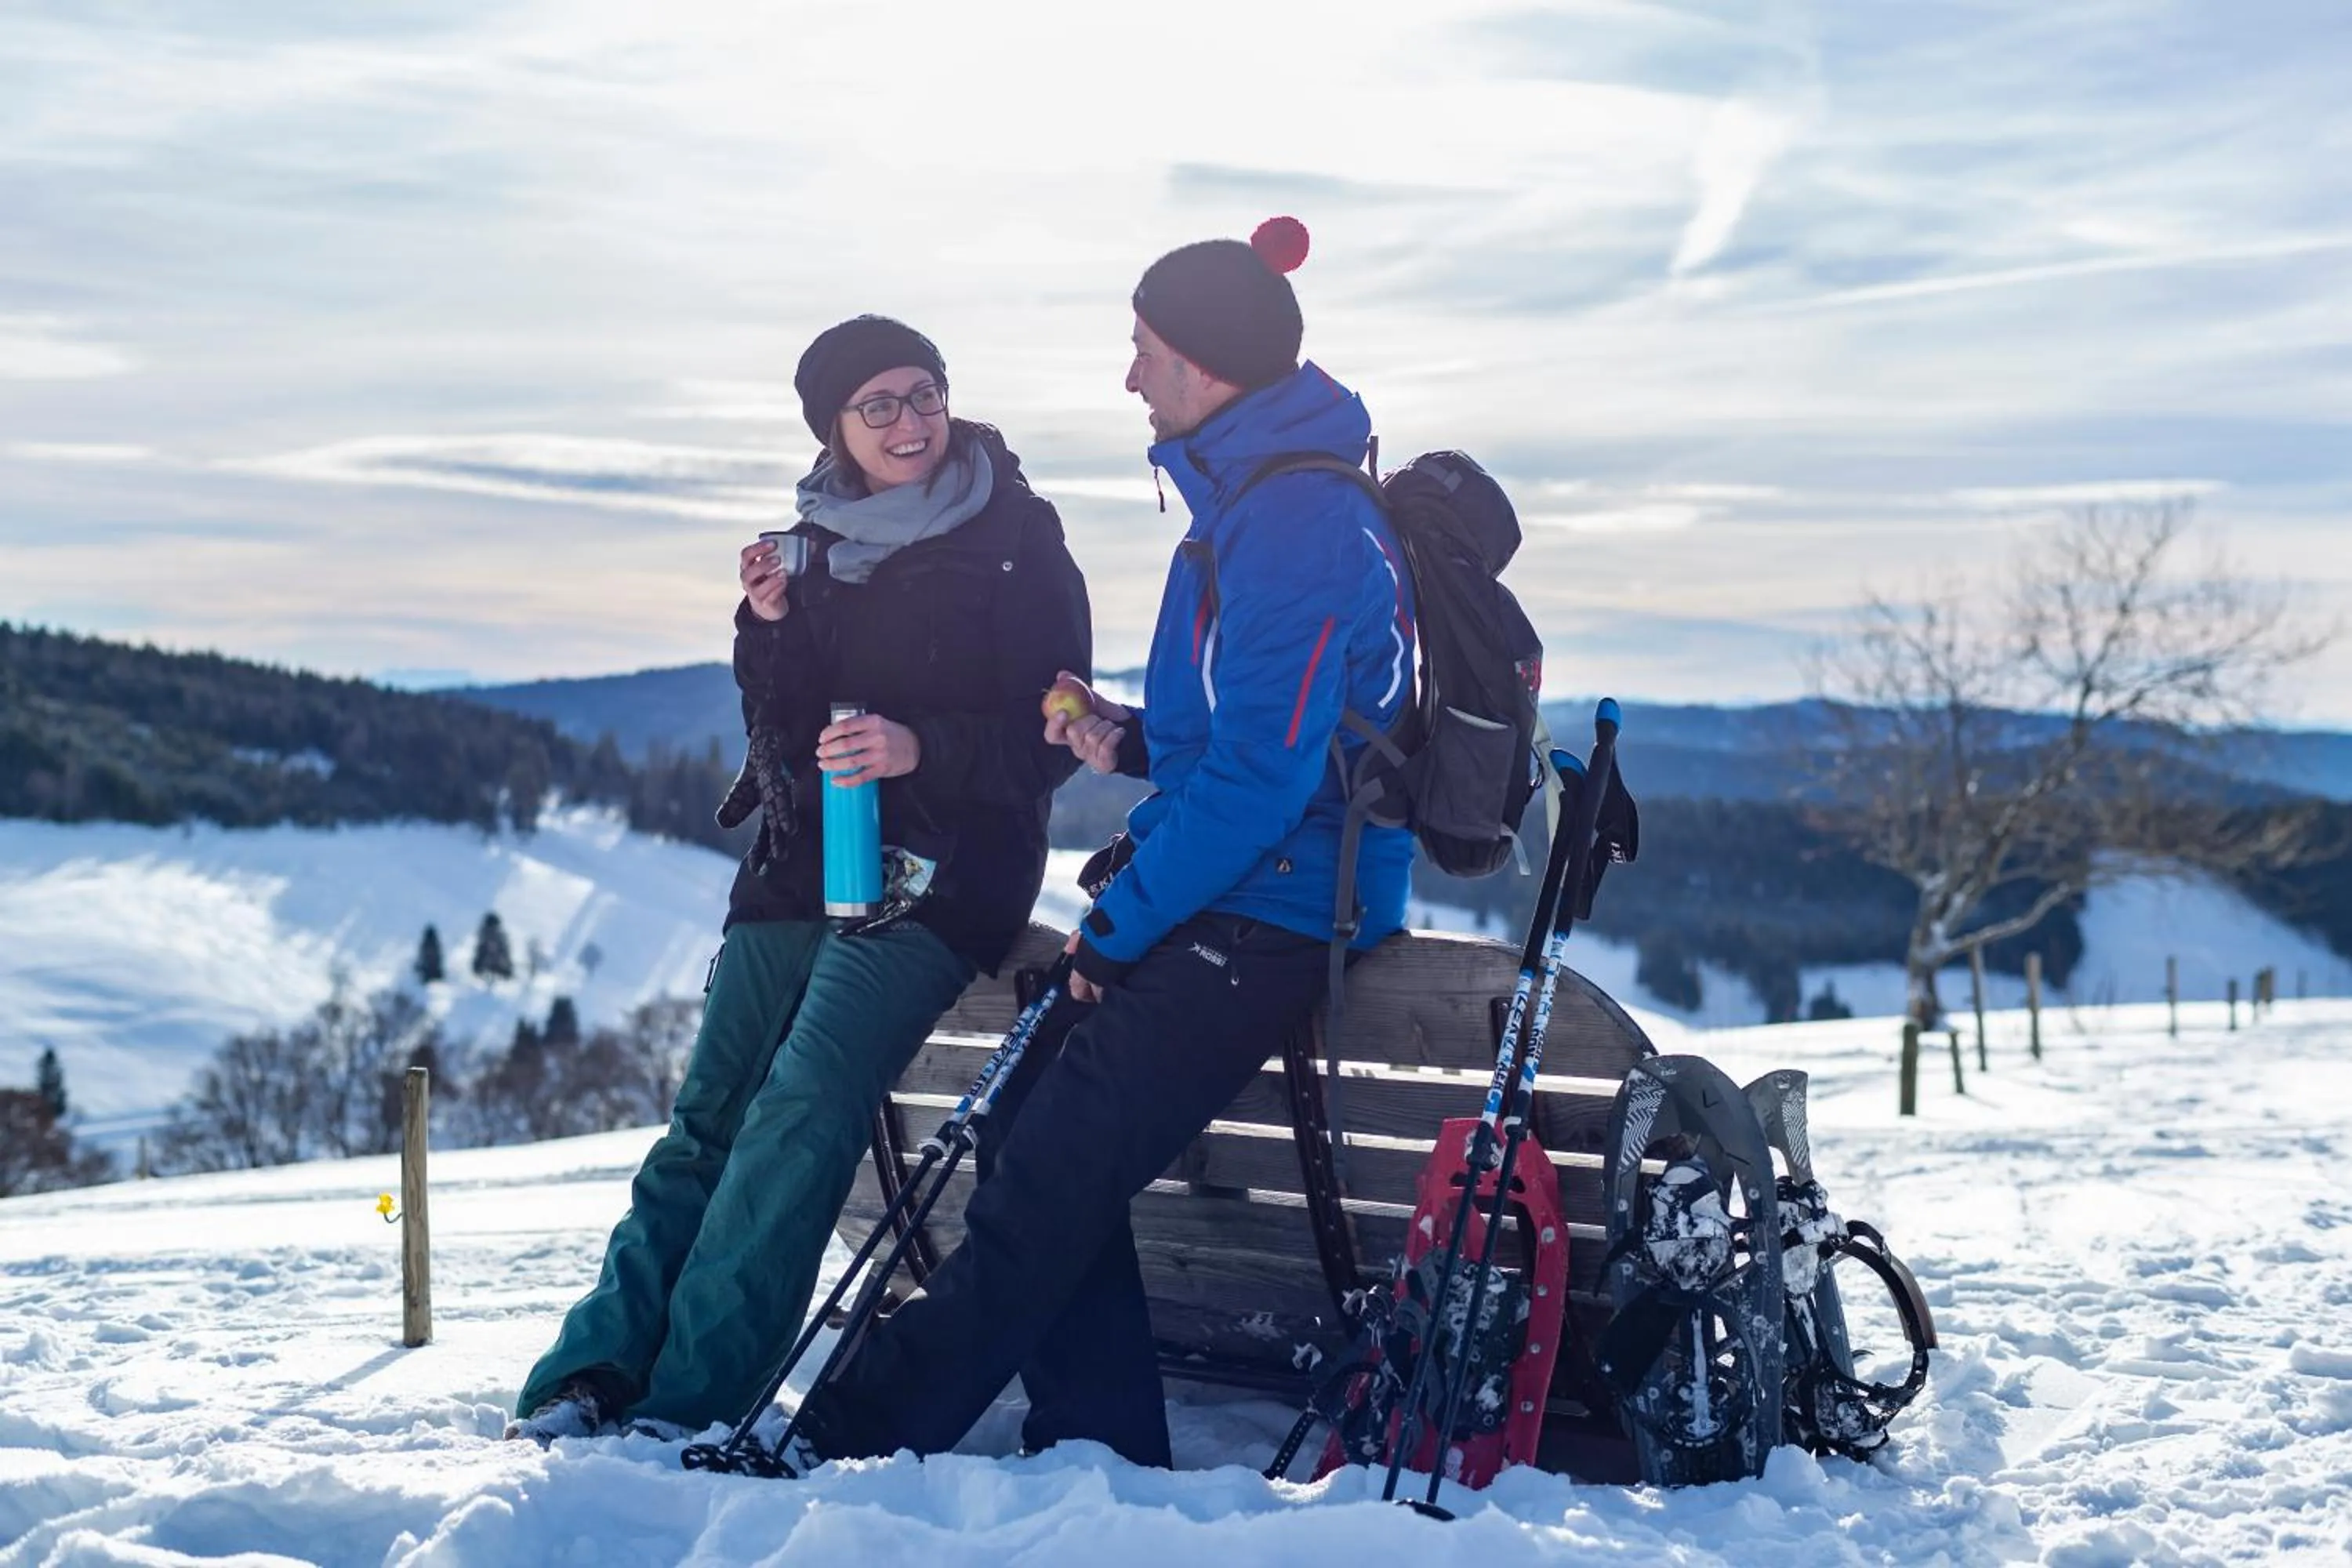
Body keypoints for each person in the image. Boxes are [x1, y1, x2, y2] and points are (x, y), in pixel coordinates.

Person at [788, 217, 1415, 1470]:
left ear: (1205, 363)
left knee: (1046, 1164)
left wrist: (1117, 934)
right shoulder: (1254, 496)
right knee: (1030, 1133)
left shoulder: (1289, 520)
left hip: (1275, 910)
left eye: (1144, 350)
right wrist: (1125, 742)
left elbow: (1256, 787)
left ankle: (858, 1432)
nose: (1130, 375)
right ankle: (1098, 1438)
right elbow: (1256, 744)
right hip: (1246, 882)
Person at [506, 314, 1091, 1443]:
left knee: (800, 1108)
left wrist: (925, 747)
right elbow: (779, 734)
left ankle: (685, 1399)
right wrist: (769, 628)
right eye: (879, 405)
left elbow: (1058, 731)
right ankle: (592, 1375)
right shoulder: (814, 545)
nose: (910, 421)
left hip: (942, 874)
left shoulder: (1017, 539)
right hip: (801, 861)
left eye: (924, 394)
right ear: (836, 426)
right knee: (706, 1117)